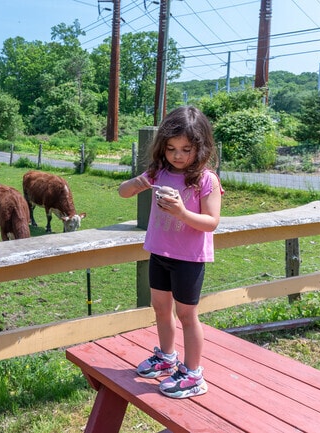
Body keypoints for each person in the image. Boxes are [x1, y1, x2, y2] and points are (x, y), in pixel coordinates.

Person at [118, 105, 223, 399]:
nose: (177, 155)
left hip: (189, 259)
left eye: (186, 149)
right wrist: (141, 181)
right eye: (171, 148)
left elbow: (211, 223)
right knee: (160, 308)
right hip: (160, 253)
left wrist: (181, 211)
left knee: (187, 315)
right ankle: (166, 357)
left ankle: (193, 374)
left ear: (200, 148)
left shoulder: (206, 179)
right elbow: (122, 192)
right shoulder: (159, 172)